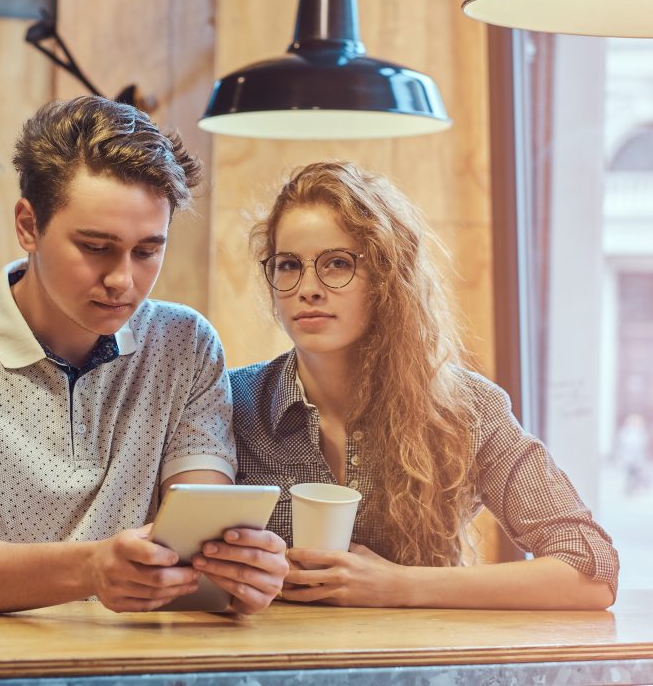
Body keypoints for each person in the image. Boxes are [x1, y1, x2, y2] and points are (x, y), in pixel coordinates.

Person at [0, 96, 287, 614]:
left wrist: (237, 574)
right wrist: (88, 570)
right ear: (28, 226)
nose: (123, 280)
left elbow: (196, 551)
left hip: (134, 667)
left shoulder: (185, 345)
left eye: (147, 251)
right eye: (95, 246)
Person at [231, 160, 618, 610]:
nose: (308, 288)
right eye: (288, 265)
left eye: (337, 264)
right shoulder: (232, 402)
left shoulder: (466, 408)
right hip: (270, 671)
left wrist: (399, 586)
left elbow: (592, 570)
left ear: (386, 277)